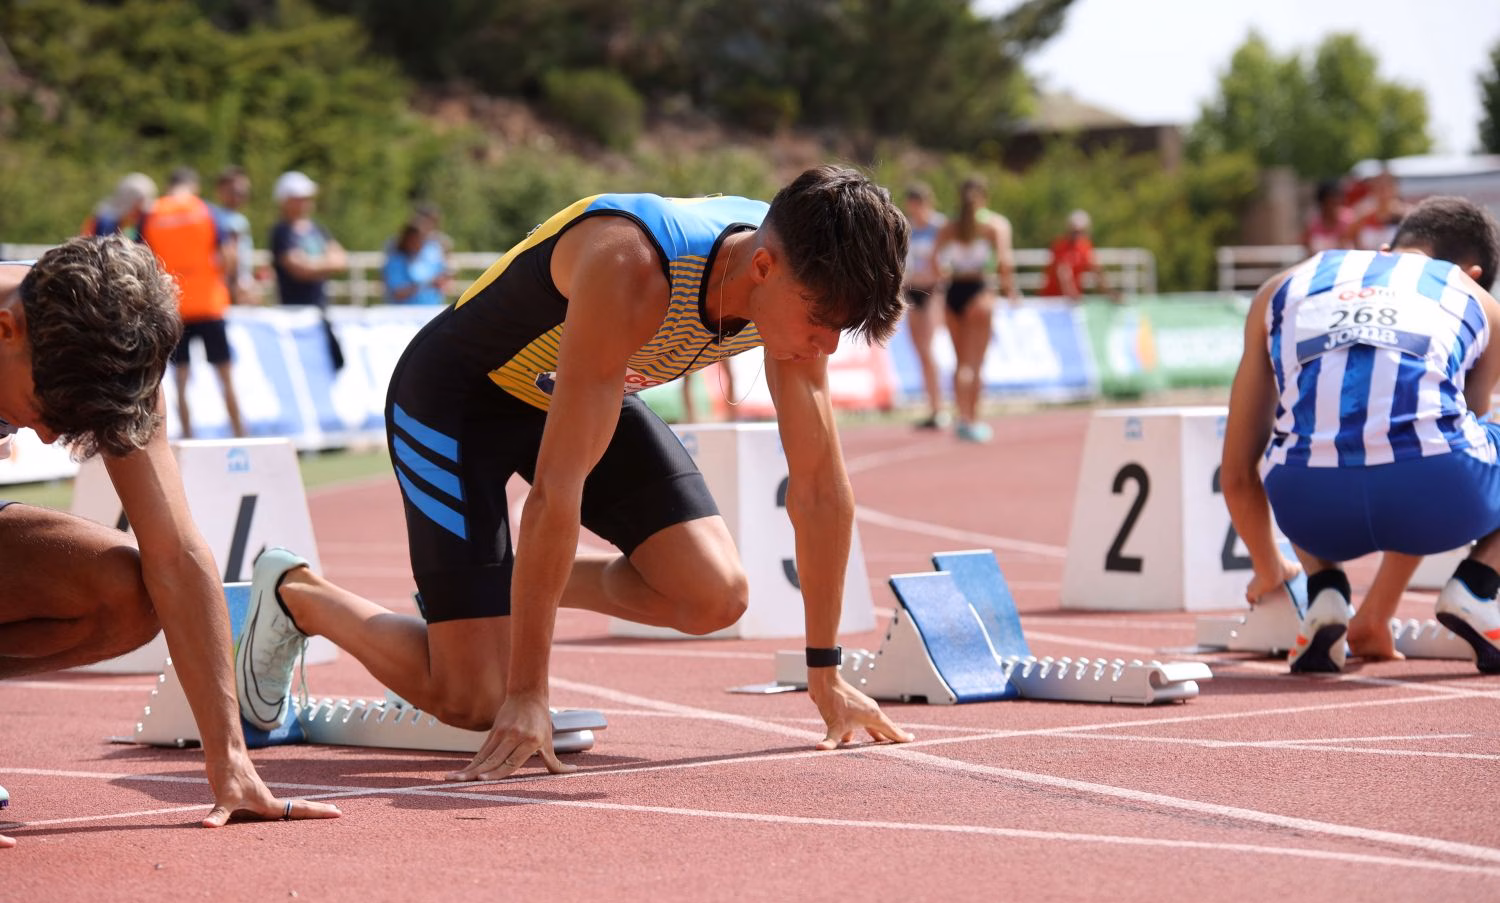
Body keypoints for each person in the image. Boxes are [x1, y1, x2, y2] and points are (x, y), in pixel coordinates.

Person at [234, 164, 915, 781]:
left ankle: (488, 598)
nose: (826, 346)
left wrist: (825, 671)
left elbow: (822, 491)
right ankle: (298, 594)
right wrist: (528, 692)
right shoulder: (633, 267)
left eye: (843, 329)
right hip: (456, 400)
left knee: (715, 595)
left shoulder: (795, 274)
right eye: (821, 323)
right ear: (762, 268)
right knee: (473, 700)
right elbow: (557, 492)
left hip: (582, 384)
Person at [0, 237, 340, 848]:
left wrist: (229, 757)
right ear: (6, 330)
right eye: (48, 408)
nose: (50, 438)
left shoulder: (114, 347)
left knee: (126, 595)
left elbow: (176, 556)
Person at [1220, 196, 1500, 674]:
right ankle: (1476, 586)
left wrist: (1270, 566)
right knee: (1429, 431)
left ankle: (1325, 592)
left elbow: (1237, 471)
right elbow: (1447, 437)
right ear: (1472, 274)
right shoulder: (1479, 301)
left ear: (1387, 248)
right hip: (1435, 491)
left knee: (1305, 431)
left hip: (1308, 508)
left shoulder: (1279, 287)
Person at [141, 166, 247, 439]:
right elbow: (229, 257)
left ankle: (189, 438)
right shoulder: (207, 211)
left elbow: (142, 258)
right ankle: (240, 435)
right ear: (194, 186)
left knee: (181, 381)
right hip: (210, 303)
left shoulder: (153, 213)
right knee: (226, 378)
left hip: (174, 306)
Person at [933, 176, 1015, 443]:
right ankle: (975, 419)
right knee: (976, 364)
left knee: (961, 363)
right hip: (979, 290)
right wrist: (1009, 290)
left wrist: (946, 275)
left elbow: (935, 262)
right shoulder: (994, 224)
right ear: (985, 197)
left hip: (954, 292)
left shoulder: (949, 226)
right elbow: (1004, 261)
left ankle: (962, 417)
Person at [269, 170, 348, 370]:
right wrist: (324, 263)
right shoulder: (282, 232)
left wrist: (313, 264)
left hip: (320, 309)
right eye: (300, 198)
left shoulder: (318, 229)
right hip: (294, 311)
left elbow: (341, 259)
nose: (306, 202)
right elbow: (298, 269)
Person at [901, 182, 948, 430]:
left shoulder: (938, 227)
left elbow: (945, 263)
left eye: (918, 205)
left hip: (931, 291)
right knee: (918, 351)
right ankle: (932, 406)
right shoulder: (907, 228)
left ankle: (939, 407)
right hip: (910, 290)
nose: (915, 210)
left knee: (929, 349)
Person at [1040, 209, 1113, 301]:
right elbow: (1063, 274)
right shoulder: (1060, 246)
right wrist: (1072, 295)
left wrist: (1109, 293)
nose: (1077, 234)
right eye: (1074, 231)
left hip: (1071, 300)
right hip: (1053, 300)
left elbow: (1096, 270)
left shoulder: (1085, 246)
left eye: (1080, 231)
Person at [213, 165, 260, 305]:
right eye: (234, 191)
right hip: (234, 289)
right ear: (220, 190)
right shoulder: (220, 219)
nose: (239, 195)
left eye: (243, 191)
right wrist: (236, 288)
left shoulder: (239, 219)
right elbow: (230, 259)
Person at [382, 220, 449, 306]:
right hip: (405, 312)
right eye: (415, 240)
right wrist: (426, 285)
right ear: (406, 240)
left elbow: (443, 282)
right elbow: (398, 293)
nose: (418, 243)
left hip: (432, 309)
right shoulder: (396, 261)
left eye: (421, 240)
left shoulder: (430, 257)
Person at [81, 172, 157, 241]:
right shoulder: (101, 222)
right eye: (138, 208)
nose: (141, 213)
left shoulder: (145, 223)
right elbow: (84, 243)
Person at [1303, 178, 1354, 255]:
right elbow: (1307, 247)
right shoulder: (1313, 223)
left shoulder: (1349, 220)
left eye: (1337, 200)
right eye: (1330, 201)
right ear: (1322, 202)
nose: (1334, 204)